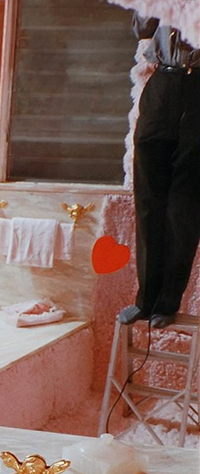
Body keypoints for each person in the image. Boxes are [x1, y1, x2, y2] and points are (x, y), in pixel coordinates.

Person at [119, 15, 200, 329]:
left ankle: (167, 303)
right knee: (149, 199)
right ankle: (145, 300)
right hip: (162, 82)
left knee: (184, 206)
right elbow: (144, 28)